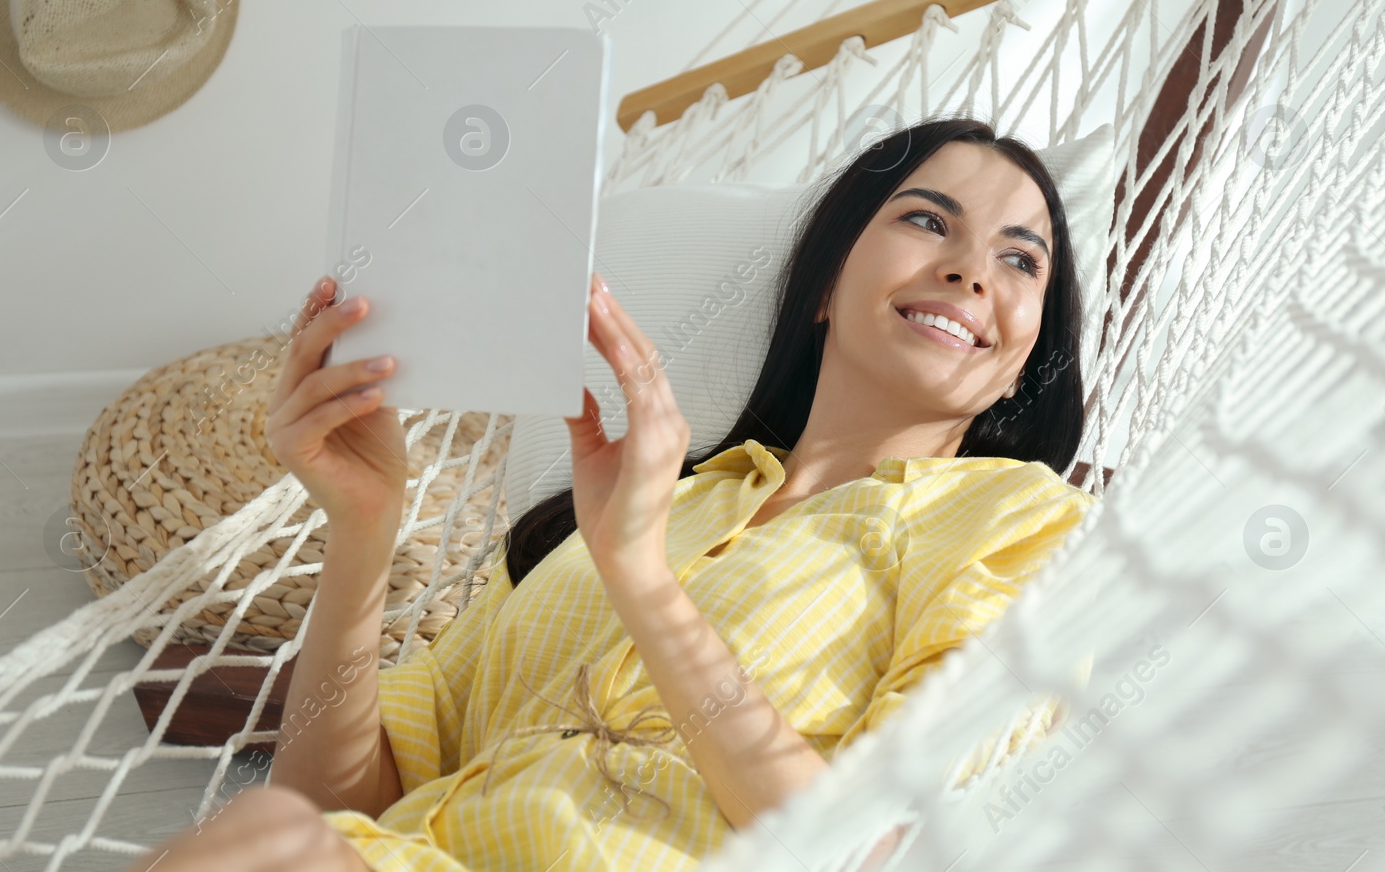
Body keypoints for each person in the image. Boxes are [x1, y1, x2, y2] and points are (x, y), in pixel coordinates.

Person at [123, 118, 1093, 871]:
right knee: (264, 829)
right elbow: (340, 803)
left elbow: (877, 841)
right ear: (824, 287)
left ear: (1021, 365)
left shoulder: (1015, 522)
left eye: (1021, 258)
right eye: (927, 220)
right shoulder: (633, 502)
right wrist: (362, 530)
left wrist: (646, 585)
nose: (971, 267)